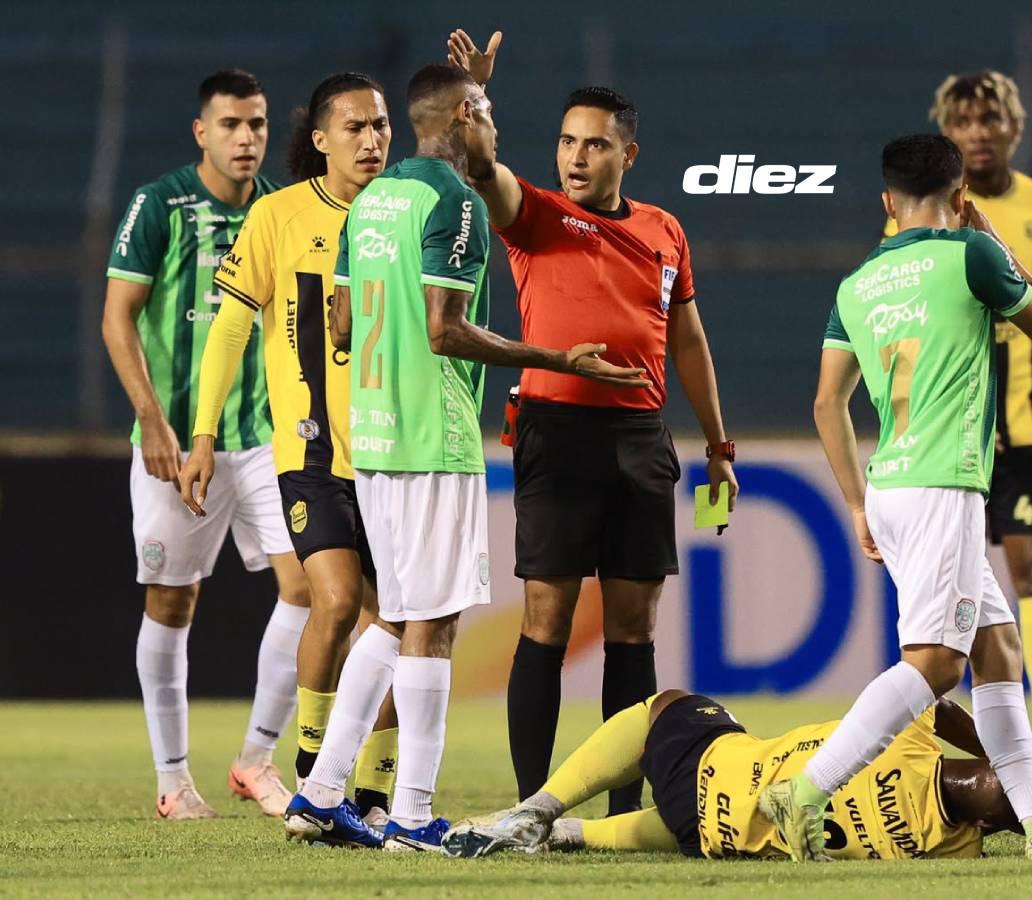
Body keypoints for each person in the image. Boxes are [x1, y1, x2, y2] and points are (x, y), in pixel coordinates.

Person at [282, 63, 649, 851]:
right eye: (484, 110)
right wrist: (560, 358)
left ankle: (317, 791)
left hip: (374, 436)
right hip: (429, 439)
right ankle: (413, 813)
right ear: (456, 118)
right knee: (435, 623)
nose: (494, 126)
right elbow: (447, 329)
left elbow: (342, 325)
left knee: (394, 617)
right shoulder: (454, 203)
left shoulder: (373, 199)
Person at [765, 134, 1032, 861]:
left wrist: (857, 503)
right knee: (936, 664)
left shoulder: (857, 285)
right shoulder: (973, 255)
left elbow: (828, 404)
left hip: (890, 486)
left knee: (998, 648)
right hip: (943, 484)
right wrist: (990, 237)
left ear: (887, 203)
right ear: (961, 197)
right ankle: (803, 790)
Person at [447, 29, 738, 817]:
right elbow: (483, 169)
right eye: (568, 142)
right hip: (556, 429)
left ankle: (620, 812)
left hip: (641, 439)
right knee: (547, 617)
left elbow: (688, 340)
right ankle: (528, 804)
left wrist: (718, 445)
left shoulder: (665, 230)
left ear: (628, 156)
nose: (575, 157)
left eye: (595, 145)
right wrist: (473, 101)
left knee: (633, 629)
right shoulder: (534, 216)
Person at [179, 72, 401, 822]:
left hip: (390, 451)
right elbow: (231, 329)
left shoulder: (403, 213)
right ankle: (313, 767)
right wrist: (203, 432)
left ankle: (372, 790)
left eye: (381, 126)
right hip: (309, 451)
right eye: (355, 127)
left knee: (389, 621)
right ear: (318, 139)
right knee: (334, 604)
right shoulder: (278, 215)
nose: (371, 140)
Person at [101, 69, 310, 819]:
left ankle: (256, 759)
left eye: (256, 124)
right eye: (230, 125)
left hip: (263, 439)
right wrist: (153, 421)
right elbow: (117, 317)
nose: (247, 138)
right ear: (202, 132)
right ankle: (173, 780)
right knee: (172, 600)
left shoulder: (285, 211)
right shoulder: (158, 206)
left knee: (311, 590)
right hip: (172, 440)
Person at [919, 71, 1032, 791]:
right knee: (956, 594)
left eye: (990, 118)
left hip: (1031, 433)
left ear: (1013, 127)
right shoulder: (925, 210)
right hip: (956, 435)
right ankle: (963, 739)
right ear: (946, 131)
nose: (978, 132)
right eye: (962, 121)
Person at [442, 691, 1032, 860]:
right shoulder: (950, 848)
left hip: (712, 767)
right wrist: (1029, 818)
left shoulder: (911, 735)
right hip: (713, 839)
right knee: (699, 823)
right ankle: (573, 835)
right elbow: (987, 819)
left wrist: (1016, 755)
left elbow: (942, 701)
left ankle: (540, 809)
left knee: (665, 706)